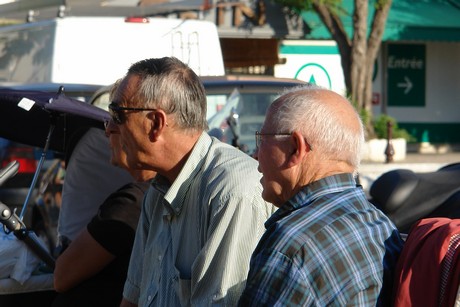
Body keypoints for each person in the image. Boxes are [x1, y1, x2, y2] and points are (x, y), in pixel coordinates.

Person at [104, 57, 275, 306]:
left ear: (156, 123)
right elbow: (133, 298)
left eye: (118, 115)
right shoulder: (158, 191)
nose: (111, 128)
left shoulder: (232, 191)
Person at [239, 85, 404, 306]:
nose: (255, 153)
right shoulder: (381, 224)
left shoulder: (291, 247)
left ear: (295, 148)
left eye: (261, 139)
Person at [52, 82, 157, 307]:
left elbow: (62, 277)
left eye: (116, 119)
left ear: (152, 126)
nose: (107, 129)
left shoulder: (130, 204)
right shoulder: (150, 194)